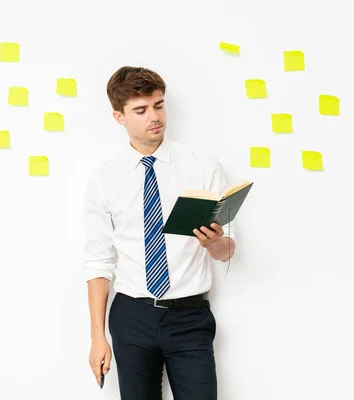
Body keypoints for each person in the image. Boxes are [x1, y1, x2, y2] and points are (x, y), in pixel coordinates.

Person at [83, 66, 237, 400]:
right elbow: (98, 262)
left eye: (159, 105)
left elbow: (227, 250)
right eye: (141, 110)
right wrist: (98, 336)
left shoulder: (203, 166)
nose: (155, 116)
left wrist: (215, 244)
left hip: (190, 318)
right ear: (119, 117)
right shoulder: (104, 179)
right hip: (131, 317)